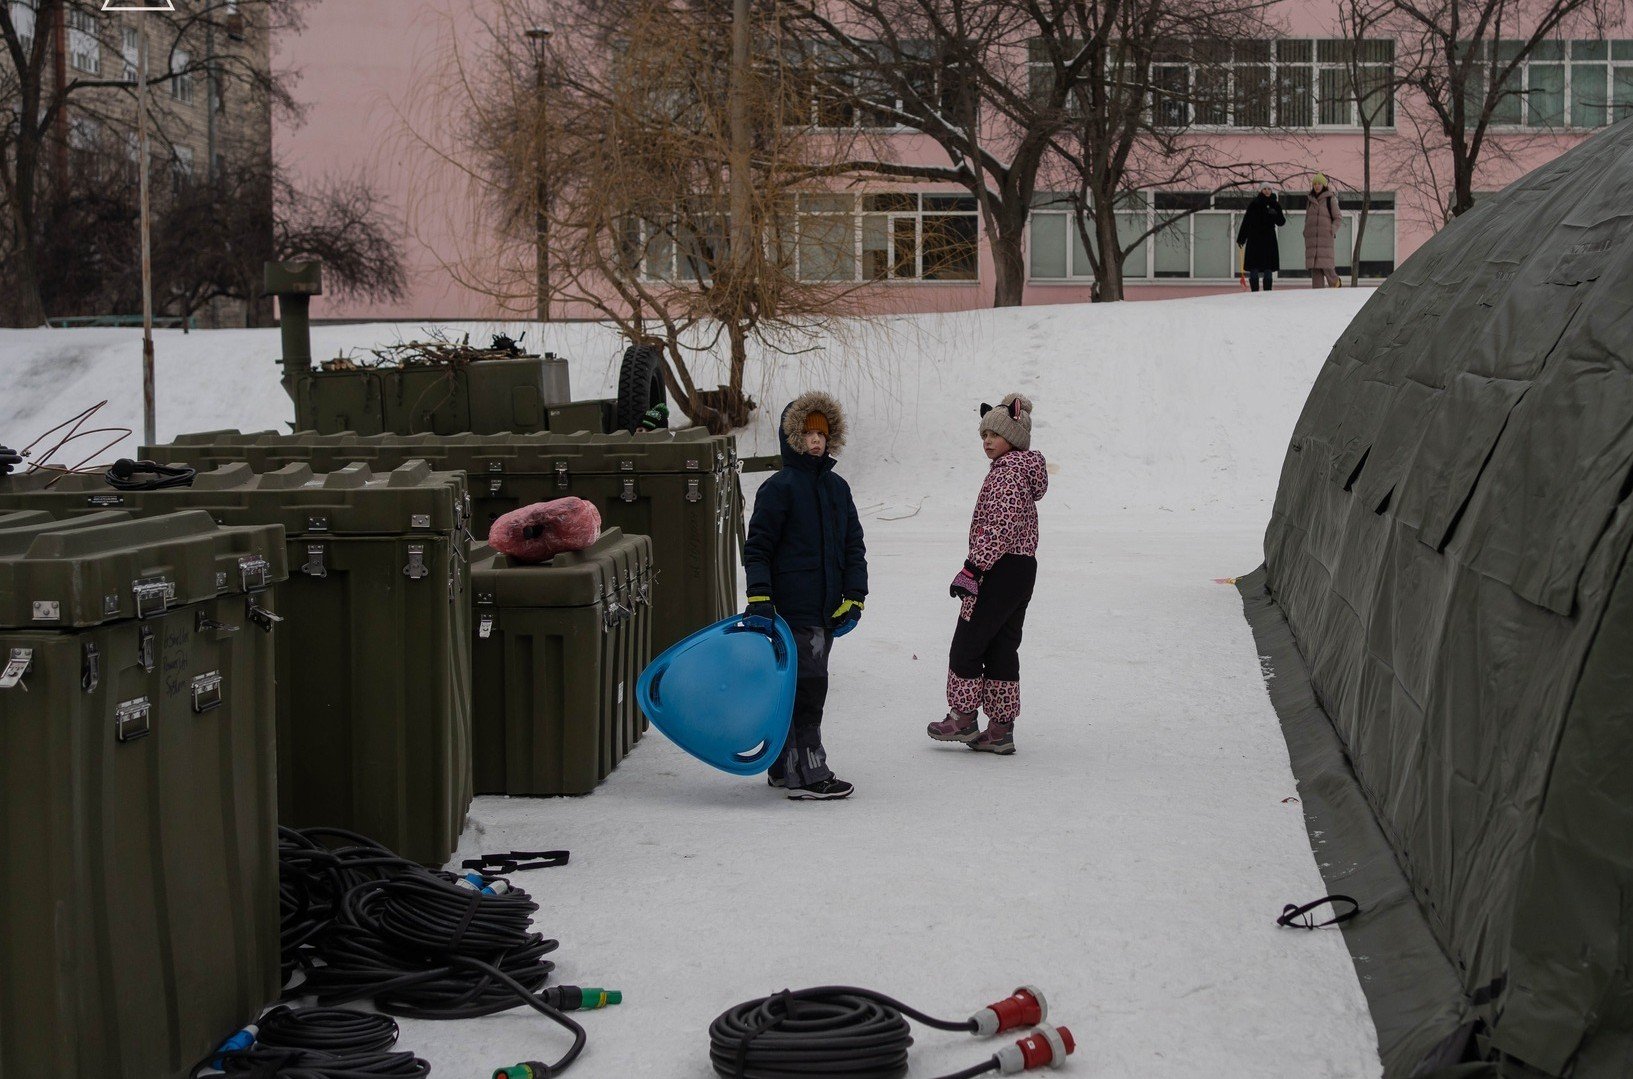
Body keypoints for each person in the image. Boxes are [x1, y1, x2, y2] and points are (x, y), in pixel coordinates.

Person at [743, 391, 867, 800]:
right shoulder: (779, 489)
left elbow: (853, 546)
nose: (817, 441)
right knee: (805, 689)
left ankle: (783, 768)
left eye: (823, 433)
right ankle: (809, 775)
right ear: (791, 437)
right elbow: (758, 546)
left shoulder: (837, 488)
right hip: (791, 609)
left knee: (804, 685)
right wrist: (760, 596)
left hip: (826, 608)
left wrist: (855, 596)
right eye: (808, 432)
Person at [927, 394, 1048, 755]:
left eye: (995, 434)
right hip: (1022, 569)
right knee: (1001, 646)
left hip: (998, 568)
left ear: (1015, 435)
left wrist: (973, 569)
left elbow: (1000, 527)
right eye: (983, 436)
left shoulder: (1007, 475)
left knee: (968, 641)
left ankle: (962, 718)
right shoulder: (1021, 472)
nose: (987, 442)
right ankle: (1000, 728)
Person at [1236, 186, 1286, 292]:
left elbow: (1281, 222)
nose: (1267, 191)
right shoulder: (1254, 204)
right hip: (1254, 239)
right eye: (1264, 189)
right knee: (1254, 267)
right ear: (1261, 190)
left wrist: (1275, 214)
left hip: (1269, 240)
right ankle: (1254, 292)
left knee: (1268, 267)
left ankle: (1268, 292)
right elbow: (1246, 222)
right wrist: (1241, 238)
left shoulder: (1275, 204)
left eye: (1269, 189)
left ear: (1271, 191)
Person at [1304, 173, 1343, 289]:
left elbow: (1338, 218)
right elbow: (1307, 218)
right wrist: (1305, 231)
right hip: (1312, 240)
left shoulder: (1330, 199)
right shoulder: (1310, 200)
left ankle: (1336, 283)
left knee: (1326, 265)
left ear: (1324, 185)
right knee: (1315, 267)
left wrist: (1332, 230)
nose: (1316, 186)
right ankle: (1317, 295)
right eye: (1315, 184)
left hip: (1325, 238)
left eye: (1319, 183)